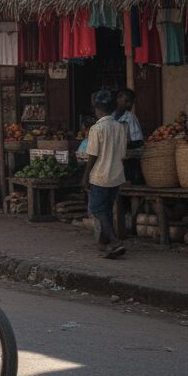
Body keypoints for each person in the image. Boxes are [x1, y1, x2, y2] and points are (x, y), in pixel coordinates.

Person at [84, 90, 128, 259]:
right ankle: (104, 242)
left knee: (97, 208)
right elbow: (123, 153)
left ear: (97, 109)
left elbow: (92, 155)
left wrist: (85, 177)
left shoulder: (96, 128)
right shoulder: (120, 127)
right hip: (116, 175)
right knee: (107, 209)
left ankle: (115, 241)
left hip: (100, 175)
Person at [114, 88, 144, 185]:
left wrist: (123, 143)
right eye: (126, 101)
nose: (129, 105)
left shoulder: (130, 118)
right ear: (118, 99)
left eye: (131, 102)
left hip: (128, 159)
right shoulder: (111, 117)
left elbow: (138, 141)